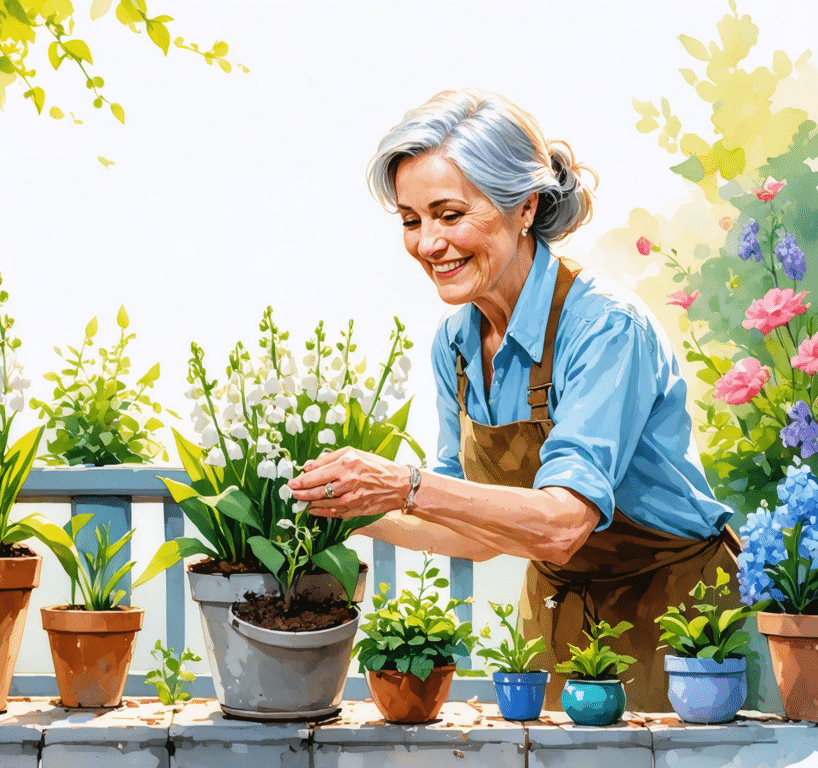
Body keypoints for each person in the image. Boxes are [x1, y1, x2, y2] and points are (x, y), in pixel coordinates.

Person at [287, 89, 739, 711]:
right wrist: (344, 508)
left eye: (449, 215)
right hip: (558, 615)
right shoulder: (457, 344)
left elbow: (563, 524)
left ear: (524, 207)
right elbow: (477, 533)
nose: (428, 244)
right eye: (411, 221)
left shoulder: (606, 328)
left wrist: (402, 485)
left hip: (681, 619)